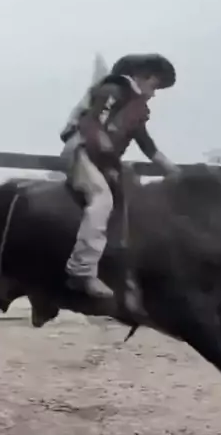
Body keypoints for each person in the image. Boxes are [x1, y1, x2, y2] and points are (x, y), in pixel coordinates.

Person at [60, 53, 177, 299]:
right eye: (154, 85)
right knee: (101, 199)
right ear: (140, 76)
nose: (154, 93)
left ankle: (119, 260)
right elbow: (93, 123)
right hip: (82, 151)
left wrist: (173, 169)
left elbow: (147, 145)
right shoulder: (112, 91)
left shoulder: (137, 109)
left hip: (105, 159)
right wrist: (104, 148)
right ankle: (81, 271)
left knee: (131, 194)